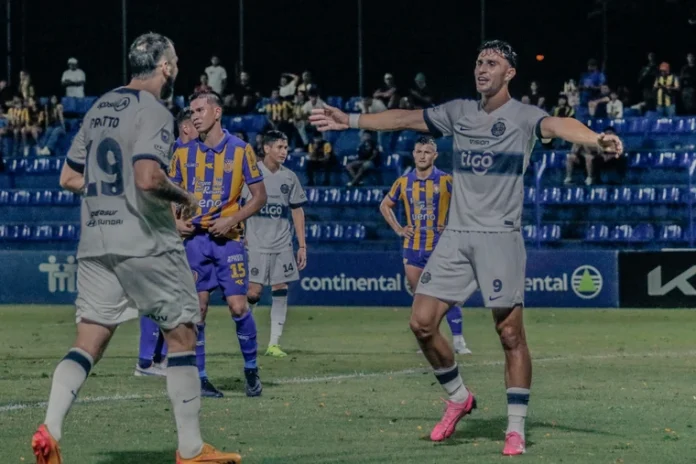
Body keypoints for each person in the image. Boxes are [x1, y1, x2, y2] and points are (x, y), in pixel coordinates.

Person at [310, 39, 623, 456]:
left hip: (500, 236)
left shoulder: (525, 116)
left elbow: (559, 126)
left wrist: (596, 139)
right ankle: (459, 397)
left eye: (492, 62)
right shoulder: (458, 112)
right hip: (456, 235)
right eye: (479, 61)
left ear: (509, 73)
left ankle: (515, 427)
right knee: (421, 323)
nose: (482, 68)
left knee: (509, 333)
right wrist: (349, 119)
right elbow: (404, 117)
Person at [32, 32, 243, 464]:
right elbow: (148, 179)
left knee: (88, 339)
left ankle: (50, 428)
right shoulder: (155, 111)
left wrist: (111, 194)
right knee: (183, 333)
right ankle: (190, 449)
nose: (178, 64)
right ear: (165, 67)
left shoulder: (99, 107)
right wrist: (185, 198)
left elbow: (68, 178)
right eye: (176, 59)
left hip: (95, 240)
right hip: (144, 240)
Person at [169, 91, 267, 399]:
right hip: (195, 242)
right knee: (197, 311)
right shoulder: (183, 154)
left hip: (228, 241)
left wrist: (232, 219)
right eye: (192, 111)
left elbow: (260, 196)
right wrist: (174, 223)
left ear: (217, 112)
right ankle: (200, 378)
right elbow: (170, 196)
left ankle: (251, 369)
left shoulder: (241, 151)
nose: (195, 116)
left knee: (239, 307)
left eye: (200, 110)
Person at [380, 136, 471, 355]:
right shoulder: (403, 182)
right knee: (421, 297)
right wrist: (399, 229)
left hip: (440, 246)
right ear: (413, 154)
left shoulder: (446, 181)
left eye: (427, 152)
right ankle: (430, 340)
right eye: (419, 151)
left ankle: (458, 340)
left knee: (446, 293)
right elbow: (385, 205)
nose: (422, 156)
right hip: (412, 247)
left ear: (435, 155)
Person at [135, 107, 199, 378]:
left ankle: (161, 358)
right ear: (186, 128)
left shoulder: (195, 157)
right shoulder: (166, 156)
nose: (201, 130)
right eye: (196, 125)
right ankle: (145, 362)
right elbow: (152, 194)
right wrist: (175, 224)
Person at [243, 130, 307, 357]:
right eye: (279, 147)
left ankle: (274, 343)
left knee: (281, 288)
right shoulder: (251, 174)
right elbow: (237, 204)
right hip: (256, 244)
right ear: (267, 148)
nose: (284, 152)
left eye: (286, 148)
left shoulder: (289, 177)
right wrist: (241, 232)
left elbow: (297, 210)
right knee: (253, 292)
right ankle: (247, 336)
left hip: (282, 244)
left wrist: (302, 245)